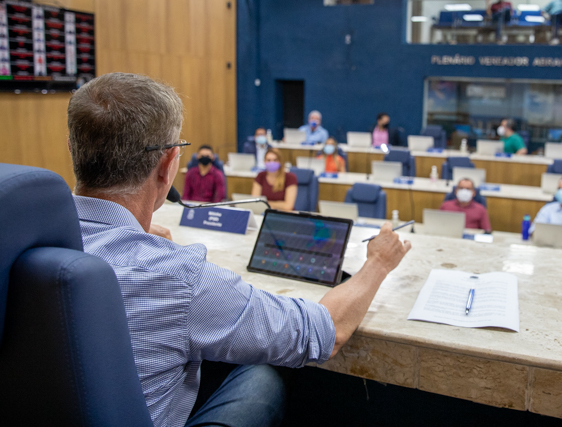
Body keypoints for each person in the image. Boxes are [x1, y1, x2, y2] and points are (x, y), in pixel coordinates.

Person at [67, 73, 411, 427]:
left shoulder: (30, 238)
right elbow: (325, 332)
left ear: (74, 150)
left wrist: (130, 232)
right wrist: (379, 263)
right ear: (169, 164)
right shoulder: (180, 277)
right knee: (267, 367)